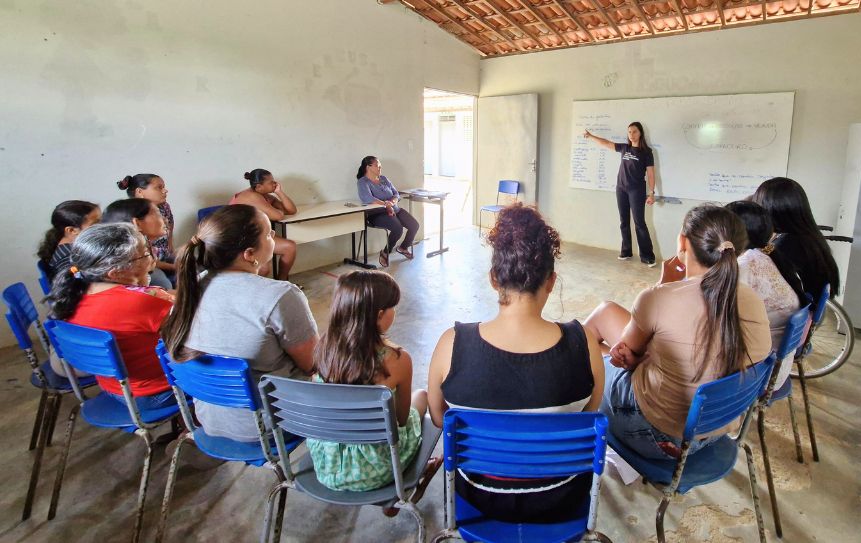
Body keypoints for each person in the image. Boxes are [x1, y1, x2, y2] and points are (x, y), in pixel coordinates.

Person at [427, 203, 604, 524]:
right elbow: (587, 416)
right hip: (561, 494)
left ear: (494, 278)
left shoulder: (451, 345)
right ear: (551, 281)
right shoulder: (585, 344)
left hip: (479, 497)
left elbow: (440, 418)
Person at [583, 204, 771, 460]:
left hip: (657, 435)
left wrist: (662, 287)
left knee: (592, 351)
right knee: (607, 323)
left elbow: (625, 352)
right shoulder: (752, 300)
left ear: (683, 242)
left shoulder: (658, 298)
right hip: (717, 431)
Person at [161, 204, 318, 442]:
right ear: (249, 254)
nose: (273, 236)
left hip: (210, 418)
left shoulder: (191, 289)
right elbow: (312, 364)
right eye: (268, 233)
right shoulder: (280, 295)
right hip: (271, 423)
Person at [307, 270, 433, 493]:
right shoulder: (397, 359)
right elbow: (401, 420)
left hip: (329, 466)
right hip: (379, 467)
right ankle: (408, 479)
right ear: (379, 315)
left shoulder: (323, 351)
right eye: (393, 307)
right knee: (422, 396)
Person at [48, 223, 176, 409]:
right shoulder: (140, 302)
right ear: (116, 273)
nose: (152, 258)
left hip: (114, 389)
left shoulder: (72, 295)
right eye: (145, 254)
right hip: (155, 393)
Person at [725, 201, 804, 388]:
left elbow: (719, 315)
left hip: (761, 372)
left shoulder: (745, 264)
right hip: (777, 365)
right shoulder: (766, 254)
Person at [750, 177, 840, 305]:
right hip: (807, 311)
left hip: (795, 312)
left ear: (769, 208)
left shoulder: (786, 245)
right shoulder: (807, 236)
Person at [583, 122, 657, 266]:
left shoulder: (646, 152)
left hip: (637, 190)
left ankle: (647, 256)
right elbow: (606, 143)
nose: (631, 134)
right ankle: (626, 251)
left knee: (639, 222)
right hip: (621, 189)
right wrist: (591, 136)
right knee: (624, 221)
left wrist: (651, 193)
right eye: (629, 132)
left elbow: (651, 174)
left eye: (634, 131)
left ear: (640, 133)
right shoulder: (625, 148)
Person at [228, 169, 298, 281]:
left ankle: (282, 282)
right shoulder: (251, 196)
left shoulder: (264, 195)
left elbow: (291, 210)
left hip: (257, 235)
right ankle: (249, 288)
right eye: (271, 182)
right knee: (264, 269)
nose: (275, 183)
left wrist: (279, 192)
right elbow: (279, 216)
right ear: (259, 186)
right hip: (240, 239)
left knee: (290, 247)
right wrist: (278, 211)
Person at [356, 156, 419, 268]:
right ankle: (386, 252)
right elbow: (367, 198)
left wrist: (392, 202)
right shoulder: (363, 182)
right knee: (398, 228)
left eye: (380, 165)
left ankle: (403, 247)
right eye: (376, 165)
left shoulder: (384, 178)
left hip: (394, 209)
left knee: (414, 225)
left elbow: (396, 194)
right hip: (377, 213)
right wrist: (386, 204)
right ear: (368, 167)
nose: (380, 168)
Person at [102, 198, 173, 290]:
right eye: (158, 213)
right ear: (137, 223)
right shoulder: (129, 266)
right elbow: (147, 295)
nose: (165, 218)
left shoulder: (147, 253)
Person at [118, 174, 176, 286]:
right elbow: (145, 260)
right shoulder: (130, 215)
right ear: (139, 192)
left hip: (162, 256)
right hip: (145, 263)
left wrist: (171, 250)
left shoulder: (164, 207)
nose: (165, 190)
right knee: (164, 283)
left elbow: (170, 227)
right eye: (159, 187)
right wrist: (174, 267)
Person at [37, 200, 101, 278]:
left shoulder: (79, 248)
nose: (102, 225)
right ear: (72, 230)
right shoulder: (67, 260)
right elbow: (79, 285)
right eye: (95, 223)